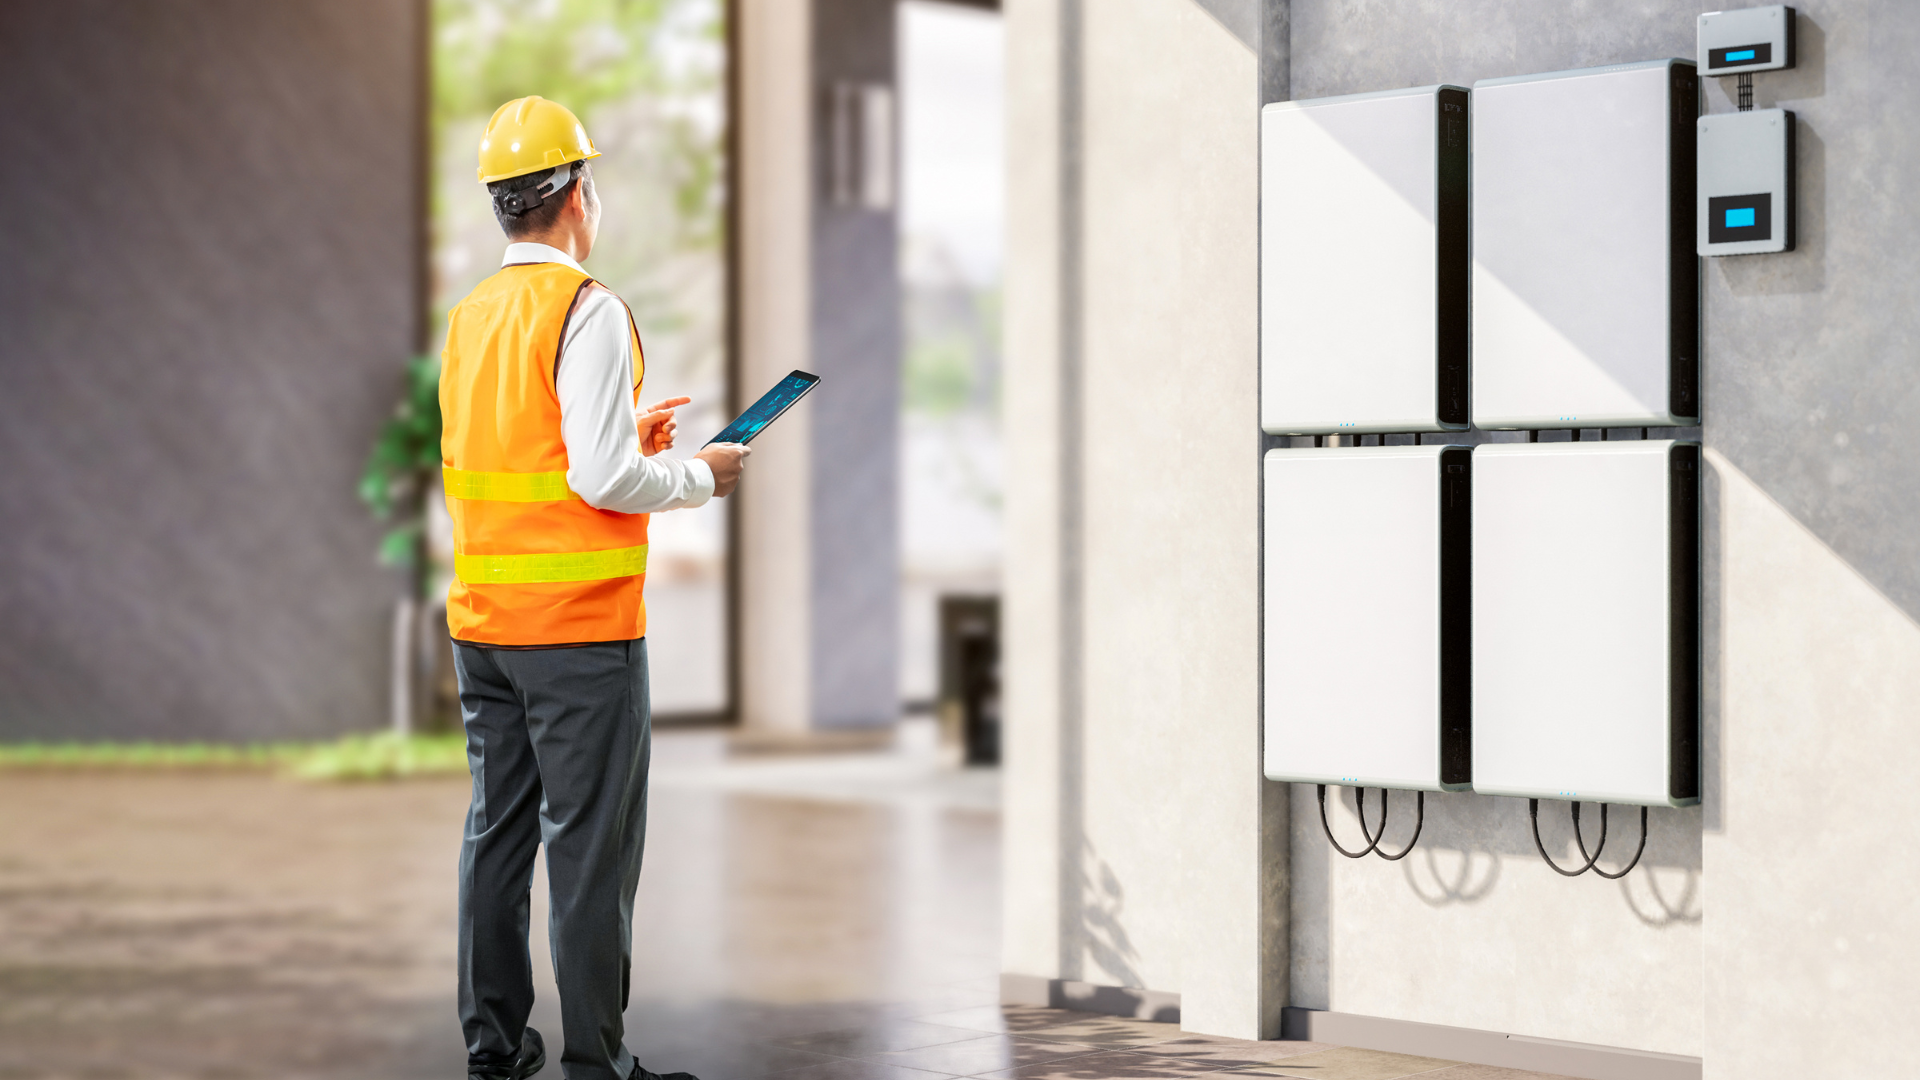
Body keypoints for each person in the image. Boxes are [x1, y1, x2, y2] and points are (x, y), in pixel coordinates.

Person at [440, 95, 748, 1080]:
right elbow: (600, 480)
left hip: (485, 626)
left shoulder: (472, 316)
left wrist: (628, 434)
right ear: (578, 192)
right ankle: (596, 1066)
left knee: (497, 836)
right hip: (579, 636)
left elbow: (537, 454)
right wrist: (700, 474)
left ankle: (495, 1052)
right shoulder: (589, 307)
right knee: (590, 852)